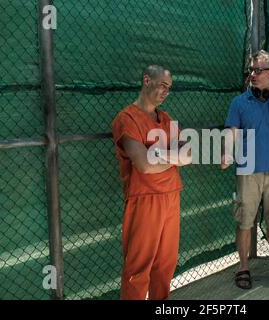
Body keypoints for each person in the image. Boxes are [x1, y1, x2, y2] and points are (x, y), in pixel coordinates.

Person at [221, 50, 269, 289]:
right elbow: (232, 132)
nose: (253, 74)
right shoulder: (239, 102)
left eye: (258, 70)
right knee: (245, 221)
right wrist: (226, 152)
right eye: (251, 70)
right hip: (248, 171)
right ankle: (243, 268)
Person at [111, 65, 191, 300]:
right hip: (145, 198)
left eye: (170, 88)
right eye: (162, 85)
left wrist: (158, 154)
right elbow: (144, 165)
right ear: (147, 80)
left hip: (171, 195)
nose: (166, 91)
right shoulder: (127, 119)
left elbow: (188, 155)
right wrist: (171, 157)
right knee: (138, 267)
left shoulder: (166, 119)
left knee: (166, 263)